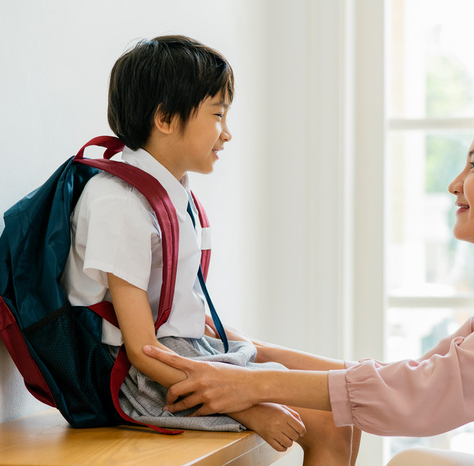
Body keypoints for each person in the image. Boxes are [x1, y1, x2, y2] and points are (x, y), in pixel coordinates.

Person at [143, 102, 474, 465]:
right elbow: (425, 374)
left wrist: (255, 384)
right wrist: (250, 353)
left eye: (473, 164)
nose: (454, 184)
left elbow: (436, 394)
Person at [60, 35, 359, 465]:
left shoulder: (169, 193)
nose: (228, 133)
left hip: (185, 357)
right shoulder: (118, 202)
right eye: (218, 115)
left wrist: (291, 361)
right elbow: (143, 350)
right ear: (165, 117)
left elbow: (184, 317)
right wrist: (252, 409)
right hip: (143, 379)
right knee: (334, 420)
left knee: (346, 402)